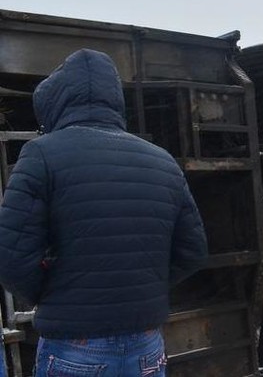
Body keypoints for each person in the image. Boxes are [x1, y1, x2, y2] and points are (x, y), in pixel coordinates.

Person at [0, 49, 208, 375]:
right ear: (115, 99)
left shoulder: (40, 154)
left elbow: (11, 259)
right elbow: (193, 252)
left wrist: (57, 296)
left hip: (74, 346)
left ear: (55, 102)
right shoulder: (163, 161)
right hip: (147, 345)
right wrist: (142, 290)